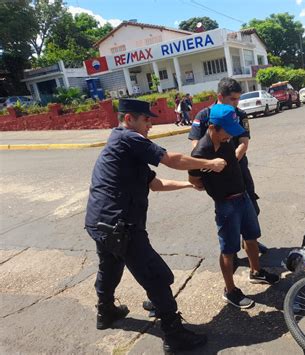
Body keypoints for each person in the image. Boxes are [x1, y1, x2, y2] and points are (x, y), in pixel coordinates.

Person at [85, 99, 226, 353]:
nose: (150, 124)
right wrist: (208, 163)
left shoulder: (123, 146)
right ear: (129, 119)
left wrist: (189, 185)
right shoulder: (129, 139)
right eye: (146, 119)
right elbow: (171, 159)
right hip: (121, 226)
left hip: (100, 223)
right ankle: (173, 335)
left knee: (110, 267)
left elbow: (155, 184)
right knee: (158, 277)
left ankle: (105, 312)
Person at [188, 104, 280, 309]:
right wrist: (213, 186)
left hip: (243, 198)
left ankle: (256, 272)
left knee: (252, 237)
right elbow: (194, 180)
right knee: (228, 250)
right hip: (226, 205)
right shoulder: (201, 151)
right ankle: (230, 291)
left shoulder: (226, 142)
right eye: (227, 130)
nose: (230, 135)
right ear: (213, 127)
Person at [188, 77, 266, 253]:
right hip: (217, 175)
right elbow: (195, 145)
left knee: (251, 207)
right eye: (233, 99)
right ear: (220, 96)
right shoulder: (205, 115)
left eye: (238, 98)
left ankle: (249, 241)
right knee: (228, 214)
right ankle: (232, 252)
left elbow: (243, 142)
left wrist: (231, 160)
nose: (237, 102)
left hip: (239, 170)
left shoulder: (239, 115)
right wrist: (212, 162)